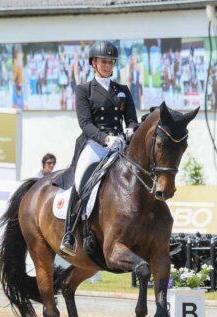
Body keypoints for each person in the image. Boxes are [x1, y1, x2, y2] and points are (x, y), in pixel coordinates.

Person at [54, 40, 139, 256]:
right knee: (80, 181)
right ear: (93, 63)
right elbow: (85, 123)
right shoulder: (83, 90)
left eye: (111, 62)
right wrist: (104, 139)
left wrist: (130, 130)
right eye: (103, 62)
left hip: (120, 145)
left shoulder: (122, 90)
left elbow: (131, 119)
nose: (108, 65)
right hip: (95, 145)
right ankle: (69, 234)